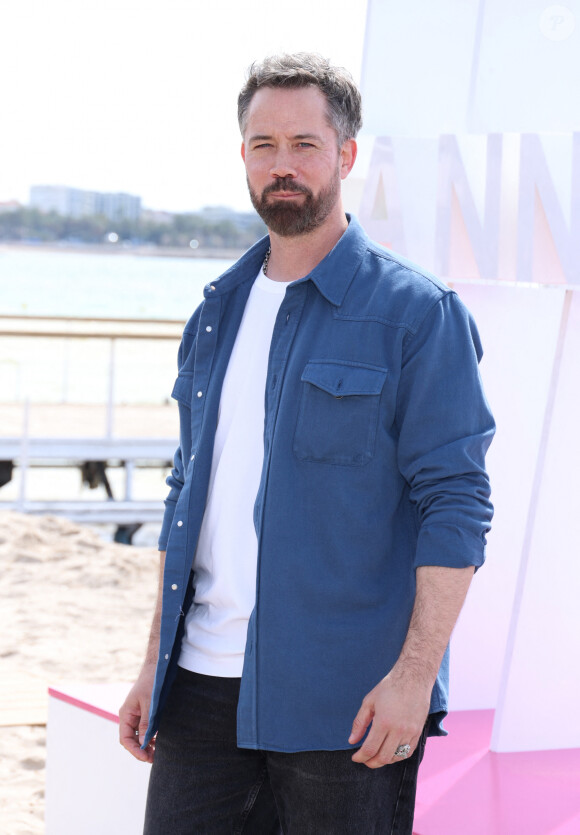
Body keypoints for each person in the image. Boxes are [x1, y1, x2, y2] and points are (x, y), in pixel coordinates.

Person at [119, 53, 494, 834]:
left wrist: (415, 676)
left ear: (346, 155)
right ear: (244, 157)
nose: (282, 165)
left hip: (347, 702)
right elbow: (188, 495)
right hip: (200, 690)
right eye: (263, 145)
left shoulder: (418, 315)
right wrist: (154, 663)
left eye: (304, 144)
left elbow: (455, 504)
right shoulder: (214, 315)